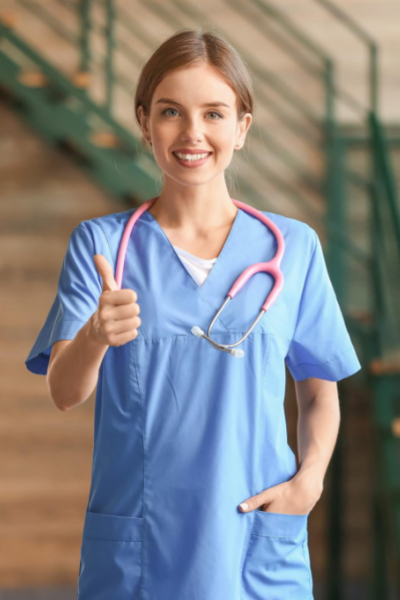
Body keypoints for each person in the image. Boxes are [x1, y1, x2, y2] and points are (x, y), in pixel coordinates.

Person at [25, 28, 361, 600]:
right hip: (140, 542)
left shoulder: (294, 247)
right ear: (143, 122)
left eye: (214, 113)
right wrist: (95, 337)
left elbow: (318, 391)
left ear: (242, 128)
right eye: (170, 112)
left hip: (254, 536)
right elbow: (64, 391)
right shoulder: (102, 246)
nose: (193, 133)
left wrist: (310, 481)